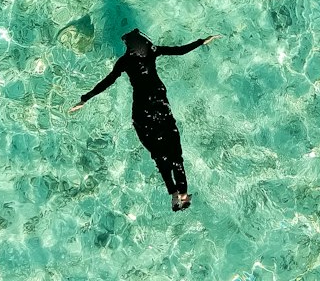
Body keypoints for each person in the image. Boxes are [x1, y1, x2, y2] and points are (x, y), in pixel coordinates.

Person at [70, 29, 219, 211]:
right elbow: (179, 50)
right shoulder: (150, 51)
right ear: (142, 45)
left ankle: (175, 194)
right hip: (157, 109)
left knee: (161, 155)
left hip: (142, 115)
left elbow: (108, 81)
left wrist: (85, 98)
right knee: (174, 155)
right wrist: (202, 41)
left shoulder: (126, 61)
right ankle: (181, 194)